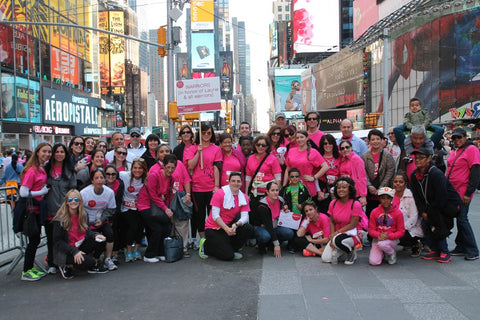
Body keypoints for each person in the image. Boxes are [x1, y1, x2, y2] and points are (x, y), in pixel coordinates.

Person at [410, 147, 462, 263]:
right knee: (425, 225)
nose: (417, 160)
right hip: (428, 206)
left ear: (428, 159)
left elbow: (442, 196)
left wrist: (430, 212)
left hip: (444, 205)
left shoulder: (435, 173)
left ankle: (444, 252)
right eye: (416, 158)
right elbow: (417, 196)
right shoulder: (414, 175)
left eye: (421, 158)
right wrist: (423, 211)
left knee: (438, 226)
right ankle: (434, 250)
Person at [52, 190, 108, 279]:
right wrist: (74, 252)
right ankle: (67, 265)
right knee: (88, 263)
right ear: (66, 202)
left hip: (79, 245)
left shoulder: (83, 214)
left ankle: (93, 263)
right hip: (66, 251)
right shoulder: (60, 219)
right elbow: (58, 242)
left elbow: (87, 231)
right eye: (70, 199)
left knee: (101, 240)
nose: (73, 201)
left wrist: (95, 235)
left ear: (80, 201)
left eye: (76, 199)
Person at [198, 172, 253, 261]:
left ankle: (232, 249)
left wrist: (235, 225)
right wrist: (226, 229)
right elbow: (215, 216)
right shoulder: (219, 193)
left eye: (238, 181)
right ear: (229, 182)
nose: (236, 183)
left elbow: (245, 217)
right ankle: (206, 245)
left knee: (248, 228)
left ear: (241, 183)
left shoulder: (244, 197)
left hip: (230, 226)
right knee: (228, 256)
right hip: (214, 228)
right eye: (233, 181)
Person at [19, 142, 52, 281]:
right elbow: (23, 192)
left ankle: (30, 268)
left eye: (49, 152)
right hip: (31, 210)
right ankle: (26, 270)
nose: (47, 154)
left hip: (38, 209)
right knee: (33, 240)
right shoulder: (32, 170)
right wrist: (41, 191)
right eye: (44, 151)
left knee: (35, 239)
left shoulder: (41, 168)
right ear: (37, 152)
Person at [185, 123, 222, 243]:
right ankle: (202, 240)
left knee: (213, 214)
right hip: (197, 188)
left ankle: (213, 238)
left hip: (211, 188)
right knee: (199, 216)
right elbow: (190, 166)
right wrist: (198, 153)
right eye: (204, 133)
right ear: (199, 134)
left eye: (209, 133)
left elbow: (216, 167)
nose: (206, 135)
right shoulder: (192, 148)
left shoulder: (216, 149)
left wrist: (216, 186)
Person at [446, 127, 480, 260]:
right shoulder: (455, 151)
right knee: (460, 219)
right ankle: (460, 246)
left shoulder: (471, 150)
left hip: (463, 192)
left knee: (462, 219)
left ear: (465, 137)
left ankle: (472, 249)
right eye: (454, 138)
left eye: (459, 137)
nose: (456, 140)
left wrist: (469, 192)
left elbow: (475, 172)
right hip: (453, 192)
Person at [137, 155, 177, 262]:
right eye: (168, 167)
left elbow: (168, 196)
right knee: (157, 229)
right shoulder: (154, 175)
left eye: (172, 168)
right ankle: (149, 254)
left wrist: (169, 209)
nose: (170, 170)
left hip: (158, 206)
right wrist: (165, 209)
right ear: (163, 166)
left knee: (166, 227)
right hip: (145, 205)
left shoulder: (171, 178)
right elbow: (153, 195)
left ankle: (160, 252)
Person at [44, 144, 77, 274]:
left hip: (65, 210)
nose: (59, 154)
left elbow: (73, 189)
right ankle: (52, 262)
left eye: (62, 152)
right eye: (56, 152)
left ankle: (63, 262)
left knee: (64, 239)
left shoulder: (70, 170)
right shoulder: (46, 169)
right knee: (51, 238)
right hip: (50, 210)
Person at [80, 168, 118, 271]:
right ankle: (93, 259)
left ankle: (108, 258)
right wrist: (85, 221)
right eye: (96, 178)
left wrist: (102, 219)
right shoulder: (85, 192)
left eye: (101, 177)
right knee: (94, 239)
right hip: (86, 221)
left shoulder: (109, 192)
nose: (99, 180)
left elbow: (111, 209)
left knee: (109, 233)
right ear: (92, 180)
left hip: (101, 220)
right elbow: (78, 209)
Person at [321, 177, 364, 265]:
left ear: (350, 189)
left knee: (338, 241)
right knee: (325, 258)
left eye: (344, 187)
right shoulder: (333, 203)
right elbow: (332, 221)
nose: (341, 190)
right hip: (337, 234)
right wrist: (332, 237)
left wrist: (336, 234)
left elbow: (352, 224)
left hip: (353, 233)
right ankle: (341, 248)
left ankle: (350, 252)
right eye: (339, 187)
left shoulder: (355, 204)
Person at [252, 181, 295, 257]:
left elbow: (285, 210)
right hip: (262, 227)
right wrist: (277, 244)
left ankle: (271, 244)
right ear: (267, 192)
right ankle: (261, 245)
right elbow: (268, 226)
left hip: (275, 226)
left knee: (289, 233)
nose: (275, 192)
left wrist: (286, 211)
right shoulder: (262, 206)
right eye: (272, 190)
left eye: (277, 190)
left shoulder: (281, 200)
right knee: (265, 236)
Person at [284, 130, 328, 200]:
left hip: (308, 188)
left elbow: (325, 166)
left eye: (302, 137)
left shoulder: (313, 152)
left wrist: (314, 177)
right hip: (293, 187)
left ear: (307, 138)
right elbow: (288, 169)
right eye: (297, 138)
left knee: (308, 209)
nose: (299, 139)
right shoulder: (291, 151)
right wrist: (284, 185)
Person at [119, 158, 148, 262]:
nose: (137, 170)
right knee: (133, 226)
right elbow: (111, 175)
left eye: (140, 168)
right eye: (135, 168)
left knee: (140, 227)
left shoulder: (146, 179)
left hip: (140, 206)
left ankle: (136, 249)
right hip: (126, 207)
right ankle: (129, 249)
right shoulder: (124, 175)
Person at [362, 129, 396, 217]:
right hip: (370, 193)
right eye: (373, 139)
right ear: (369, 141)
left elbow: (390, 171)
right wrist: (369, 185)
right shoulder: (365, 156)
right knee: (371, 215)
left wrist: (381, 187)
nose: (375, 141)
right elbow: (363, 172)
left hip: (384, 192)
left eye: (378, 139)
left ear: (382, 140)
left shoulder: (387, 155)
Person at [368, 187, 405, 265]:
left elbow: (401, 231)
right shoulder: (374, 212)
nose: (385, 200)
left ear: (392, 199)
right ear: (379, 199)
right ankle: (383, 252)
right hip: (377, 239)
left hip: (391, 239)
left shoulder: (398, 213)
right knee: (374, 262)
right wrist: (379, 235)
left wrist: (388, 236)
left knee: (383, 244)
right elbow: (371, 229)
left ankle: (391, 252)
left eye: (388, 198)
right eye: (383, 198)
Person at [245, 135, 282, 205]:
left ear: (267, 147)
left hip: (268, 194)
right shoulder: (250, 158)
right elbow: (248, 177)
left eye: (263, 145)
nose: (260, 147)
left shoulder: (273, 159)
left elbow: (278, 178)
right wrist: (247, 193)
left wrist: (275, 193)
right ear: (255, 145)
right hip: (254, 193)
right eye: (258, 145)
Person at [393, 174, 423, 257]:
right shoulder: (390, 195)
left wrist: (401, 228)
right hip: (393, 225)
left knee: (401, 236)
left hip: (409, 226)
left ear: (405, 184)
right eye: (395, 182)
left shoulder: (410, 196)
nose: (398, 184)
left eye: (401, 182)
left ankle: (416, 244)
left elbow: (414, 217)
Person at [104, 164, 125, 264]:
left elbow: (118, 202)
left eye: (113, 174)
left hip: (115, 211)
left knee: (115, 227)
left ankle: (114, 253)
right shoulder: (101, 184)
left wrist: (112, 219)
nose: (111, 176)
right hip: (102, 212)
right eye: (108, 174)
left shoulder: (120, 184)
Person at [338, 140, 367, 206]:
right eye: (342, 148)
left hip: (355, 192)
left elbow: (362, 178)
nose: (345, 149)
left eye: (347, 147)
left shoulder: (356, 159)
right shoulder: (342, 160)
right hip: (345, 191)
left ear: (351, 148)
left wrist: (363, 195)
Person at [317, 134, 341, 213]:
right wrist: (319, 191)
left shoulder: (340, 156)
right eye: (325, 143)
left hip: (339, 188)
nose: (328, 145)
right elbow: (315, 176)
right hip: (324, 189)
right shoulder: (318, 157)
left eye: (330, 143)